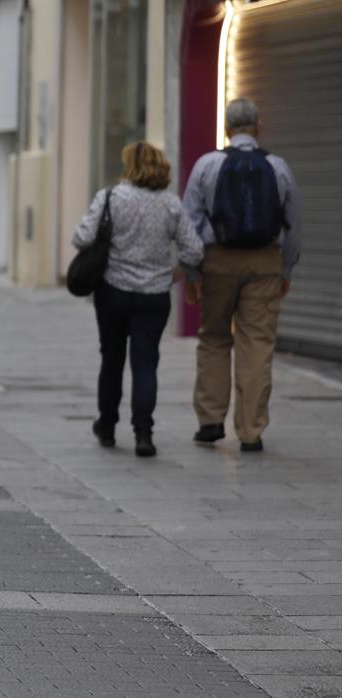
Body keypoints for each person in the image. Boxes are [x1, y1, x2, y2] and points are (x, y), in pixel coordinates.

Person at [183, 98, 301, 453]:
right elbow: (294, 224)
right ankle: (251, 431)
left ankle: (210, 421)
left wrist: (191, 271)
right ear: (258, 128)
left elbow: (191, 220)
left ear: (227, 129)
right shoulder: (278, 168)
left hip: (217, 260)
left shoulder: (207, 165)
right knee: (257, 344)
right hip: (264, 262)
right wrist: (286, 268)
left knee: (215, 337)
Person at [73, 142, 204, 457]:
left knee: (112, 359)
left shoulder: (111, 197)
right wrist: (174, 274)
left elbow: (81, 237)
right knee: (146, 363)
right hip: (154, 296)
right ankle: (143, 434)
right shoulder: (171, 204)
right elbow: (195, 250)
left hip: (113, 292)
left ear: (129, 166)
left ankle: (107, 425)